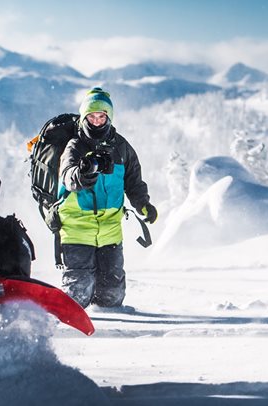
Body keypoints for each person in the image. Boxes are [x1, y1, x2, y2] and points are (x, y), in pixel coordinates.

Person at [57, 87, 157, 308]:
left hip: (111, 230)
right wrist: (83, 173)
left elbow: (133, 181)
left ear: (108, 117)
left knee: (111, 297)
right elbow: (67, 177)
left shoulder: (121, 147)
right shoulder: (75, 146)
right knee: (77, 296)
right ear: (84, 117)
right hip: (77, 229)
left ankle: (114, 335)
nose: (96, 121)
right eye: (91, 116)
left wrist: (143, 204)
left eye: (101, 116)